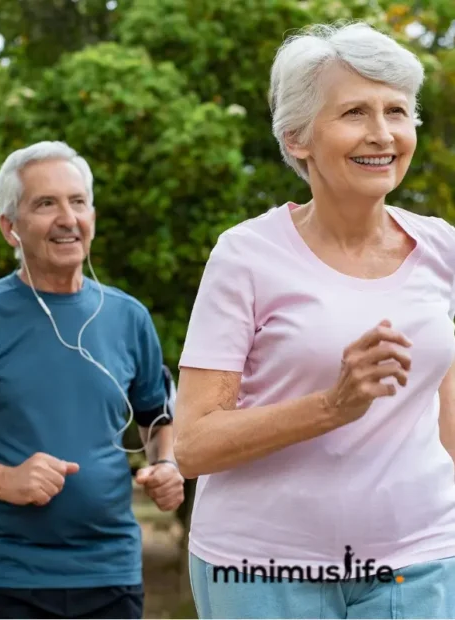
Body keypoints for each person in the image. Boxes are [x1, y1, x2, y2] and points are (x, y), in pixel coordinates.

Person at [176, 22, 455, 619]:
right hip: (262, 569)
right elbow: (192, 445)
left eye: (397, 111)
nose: (382, 134)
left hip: (420, 562)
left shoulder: (443, 251)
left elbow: (448, 416)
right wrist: (334, 405)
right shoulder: (245, 256)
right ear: (297, 137)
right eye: (355, 111)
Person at [0, 141, 185, 619]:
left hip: (112, 572)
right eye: (45, 204)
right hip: (13, 575)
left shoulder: (128, 316)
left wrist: (167, 464)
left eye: (78, 202)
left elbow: (156, 418)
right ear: (10, 228)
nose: (67, 217)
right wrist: (4, 479)